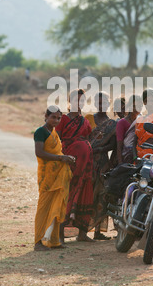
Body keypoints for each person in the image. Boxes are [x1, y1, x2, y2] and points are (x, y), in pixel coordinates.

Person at [33, 106, 75, 251]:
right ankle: (38, 242)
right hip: (46, 176)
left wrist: (65, 159)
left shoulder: (54, 132)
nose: (56, 120)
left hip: (57, 175)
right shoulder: (40, 132)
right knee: (44, 207)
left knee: (56, 205)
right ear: (46, 116)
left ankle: (53, 240)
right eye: (53, 117)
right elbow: (39, 153)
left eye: (58, 118)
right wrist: (61, 158)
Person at [56, 89, 94, 242]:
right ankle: (59, 235)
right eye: (76, 100)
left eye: (82, 100)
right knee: (67, 195)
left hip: (86, 167)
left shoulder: (85, 121)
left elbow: (88, 137)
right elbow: (57, 139)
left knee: (85, 193)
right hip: (69, 163)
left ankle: (83, 233)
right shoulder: (63, 119)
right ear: (70, 101)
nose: (79, 103)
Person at [86, 92, 117, 240]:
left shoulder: (112, 123)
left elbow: (113, 144)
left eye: (104, 102)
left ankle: (98, 231)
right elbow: (83, 138)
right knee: (88, 194)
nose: (101, 105)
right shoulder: (88, 119)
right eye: (98, 102)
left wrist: (100, 149)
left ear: (108, 104)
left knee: (102, 195)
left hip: (103, 162)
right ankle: (82, 230)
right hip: (88, 161)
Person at [116, 94, 143, 164]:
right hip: (127, 156)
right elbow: (119, 145)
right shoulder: (122, 123)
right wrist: (120, 164)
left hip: (140, 155)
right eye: (134, 106)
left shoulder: (143, 120)